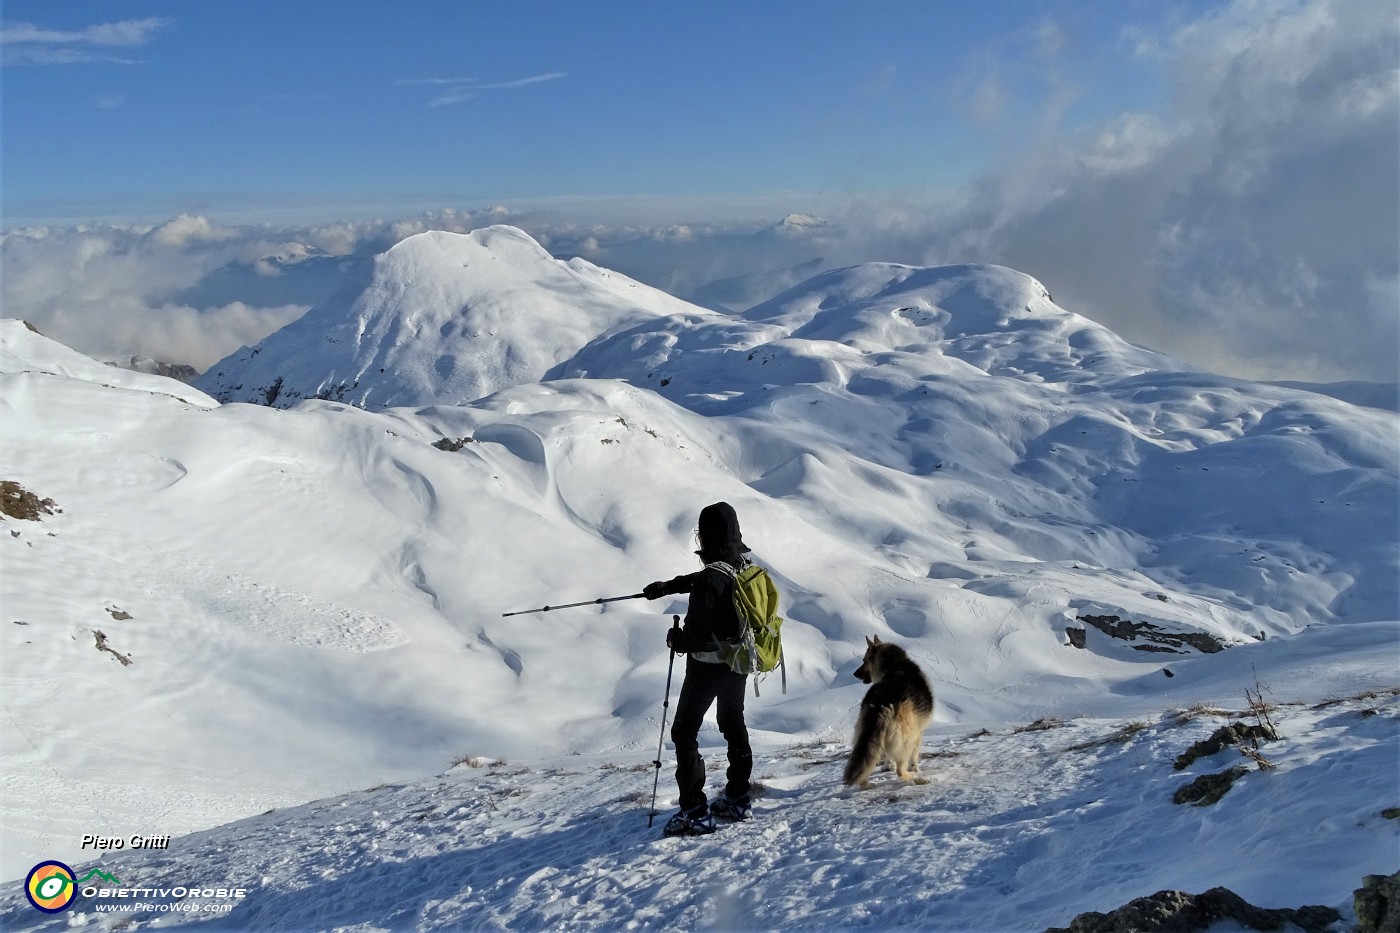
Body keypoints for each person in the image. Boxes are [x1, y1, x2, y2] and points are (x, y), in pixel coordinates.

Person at [644, 501, 754, 836]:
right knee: (732, 723)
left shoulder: (711, 578)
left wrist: (676, 638)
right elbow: (710, 579)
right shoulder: (744, 565)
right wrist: (669, 586)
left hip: (707, 668)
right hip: (738, 661)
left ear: (705, 536)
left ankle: (694, 811)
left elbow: (695, 637)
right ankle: (737, 798)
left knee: (684, 731)